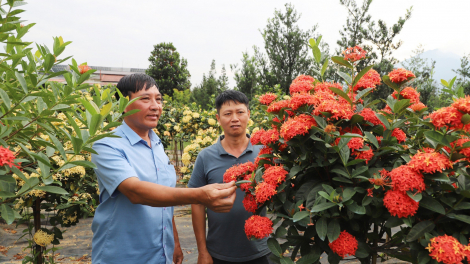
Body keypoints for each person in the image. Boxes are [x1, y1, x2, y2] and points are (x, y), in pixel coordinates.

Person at [91, 73, 237, 264]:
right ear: (123, 105)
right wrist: (199, 195)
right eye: (145, 99)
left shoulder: (157, 144)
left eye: (158, 99)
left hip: (161, 255)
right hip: (123, 255)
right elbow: (136, 192)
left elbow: (164, 198)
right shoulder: (107, 144)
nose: (155, 106)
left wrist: (174, 241)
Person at [188, 90, 273, 264]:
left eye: (240, 112)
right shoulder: (205, 157)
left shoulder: (264, 153)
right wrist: (202, 251)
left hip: (260, 251)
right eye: (227, 114)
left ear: (248, 115)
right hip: (218, 253)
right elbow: (196, 203)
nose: (235, 118)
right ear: (218, 118)